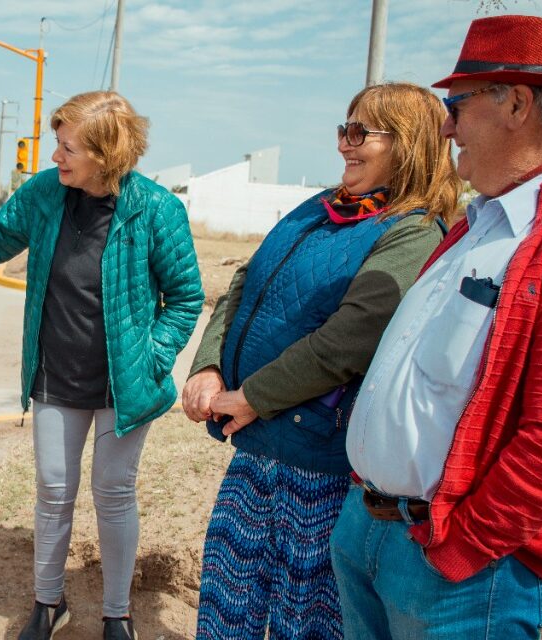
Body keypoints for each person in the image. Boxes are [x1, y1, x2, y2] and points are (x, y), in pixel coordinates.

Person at [330, 15, 542, 640]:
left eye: (457, 104)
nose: (446, 125)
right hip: (374, 531)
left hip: (459, 578)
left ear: (517, 103)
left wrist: (457, 550)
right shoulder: (480, 221)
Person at [182, 82, 460, 639]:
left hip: (322, 469)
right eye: (343, 130)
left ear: (407, 144)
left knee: (304, 621)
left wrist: (253, 395)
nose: (344, 145)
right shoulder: (319, 207)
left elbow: (346, 341)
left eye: (360, 133)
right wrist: (208, 364)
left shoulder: (413, 230)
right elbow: (245, 281)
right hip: (258, 447)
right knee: (224, 607)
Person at [0, 91, 203, 640]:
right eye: (58, 144)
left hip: (126, 385)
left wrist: (153, 357)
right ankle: (48, 604)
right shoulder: (47, 193)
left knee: (114, 492)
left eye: (68, 147)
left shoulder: (156, 209)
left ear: (104, 152)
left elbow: (186, 297)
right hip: (56, 377)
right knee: (53, 490)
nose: (56, 157)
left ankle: (117, 614)